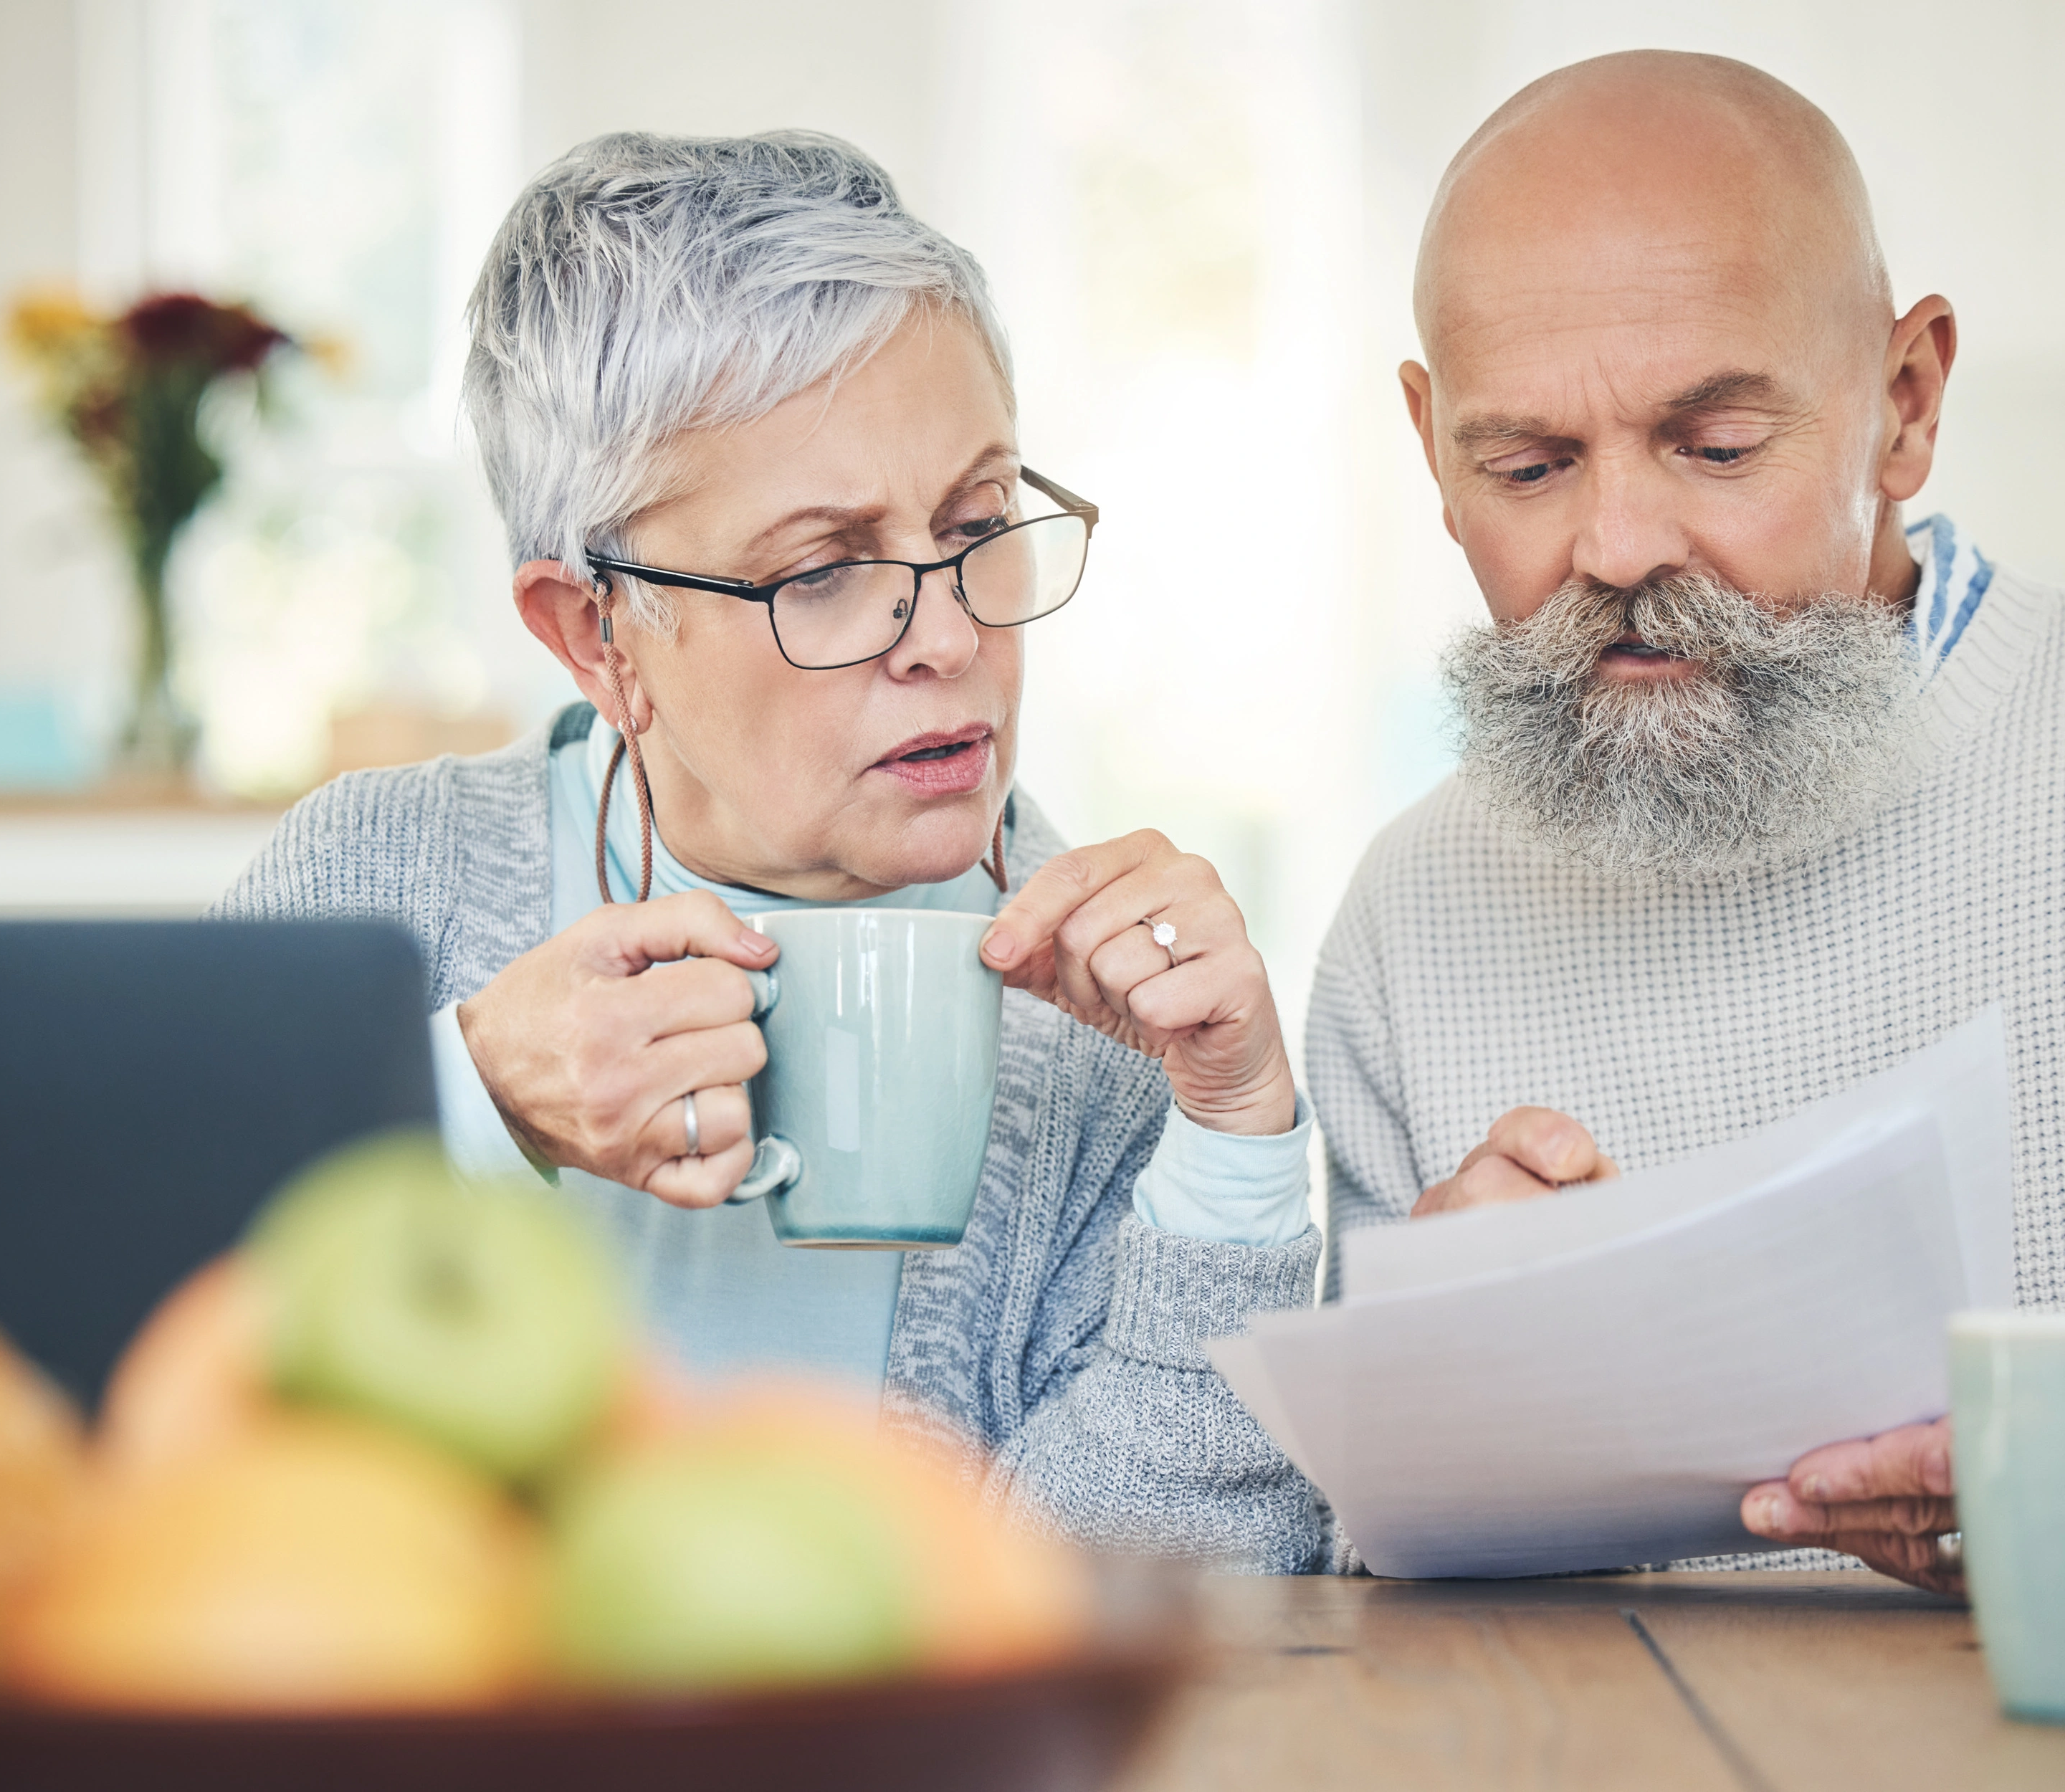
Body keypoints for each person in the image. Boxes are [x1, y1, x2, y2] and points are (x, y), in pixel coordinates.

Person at [1312, 49, 2065, 1596]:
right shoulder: (1408, 915)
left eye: (1713, 446)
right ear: (1431, 450)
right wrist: (1435, 1411)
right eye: (1524, 464)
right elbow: (1365, 1574)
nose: (1619, 544)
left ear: (1902, 408)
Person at [216, 132, 1324, 1570]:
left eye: (978, 525)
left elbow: (1151, 1607)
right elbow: (144, 1414)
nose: (948, 637)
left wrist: (1234, 1147)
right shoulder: (373, 890)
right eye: (822, 569)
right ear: (595, 633)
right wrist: (470, 1099)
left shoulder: (1119, 1021)